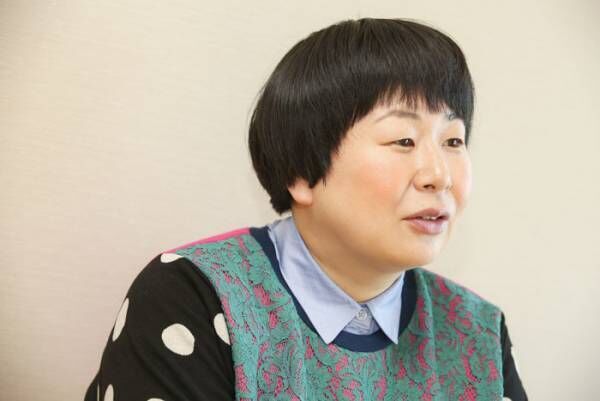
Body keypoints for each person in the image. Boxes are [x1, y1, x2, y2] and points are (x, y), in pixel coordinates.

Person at [85, 18, 527, 401]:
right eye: (403, 140)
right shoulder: (193, 296)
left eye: (453, 140)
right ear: (301, 171)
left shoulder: (477, 331)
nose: (439, 175)